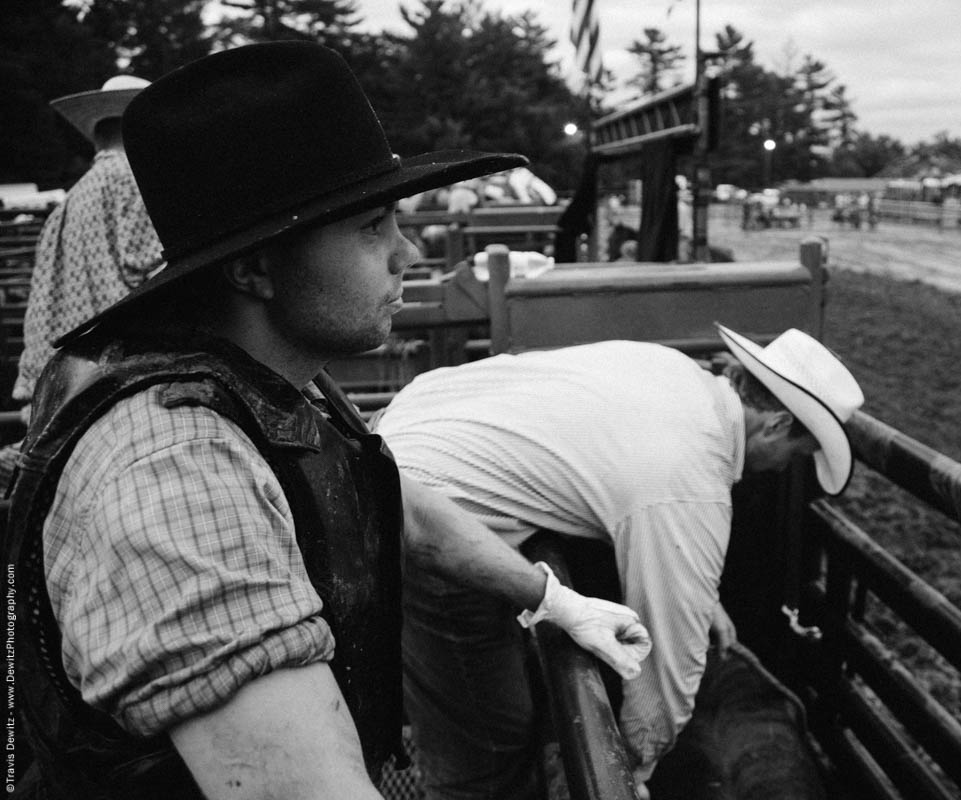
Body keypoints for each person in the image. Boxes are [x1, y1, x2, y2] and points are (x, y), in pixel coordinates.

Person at [6, 42, 649, 799]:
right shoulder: (177, 471)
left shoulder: (278, 382)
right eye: (372, 225)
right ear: (253, 269)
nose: (407, 253)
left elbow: (389, 504)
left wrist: (551, 599)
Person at [374, 323, 865, 799]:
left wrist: (696, 591)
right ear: (777, 425)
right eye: (800, 452)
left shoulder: (676, 373)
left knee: (495, 710)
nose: (786, 467)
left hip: (399, 436)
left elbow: (626, 474)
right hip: (428, 510)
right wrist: (628, 774)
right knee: (488, 749)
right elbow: (665, 688)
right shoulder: (693, 482)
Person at [12, 75, 162, 407]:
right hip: (125, 380)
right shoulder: (137, 180)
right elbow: (159, 272)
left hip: (65, 386)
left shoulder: (67, 204)